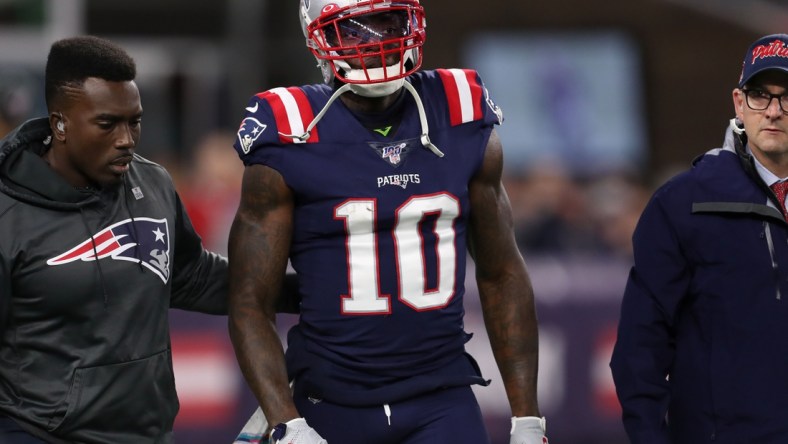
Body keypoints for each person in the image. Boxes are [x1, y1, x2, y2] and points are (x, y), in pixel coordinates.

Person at [228, 1, 547, 443]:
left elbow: (502, 271)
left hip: (441, 396)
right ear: (318, 37)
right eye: (354, 31)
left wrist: (527, 418)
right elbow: (249, 301)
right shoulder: (291, 128)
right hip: (330, 401)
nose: (377, 43)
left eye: (388, 23)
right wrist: (287, 423)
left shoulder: (460, 109)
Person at [0, 35, 229, 444]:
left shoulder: (153, 181)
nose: (126, 139)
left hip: (146, 433)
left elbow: (193, 276)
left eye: (134, 121)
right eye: (107, 124)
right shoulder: (7, 214)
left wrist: (306, 288)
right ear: (60, 124)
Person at [610, 33, 788, 443]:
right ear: (739, 104)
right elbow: (641, 344)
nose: (774, 111)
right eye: (761, 95)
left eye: (786, 96)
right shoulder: (684, 204)